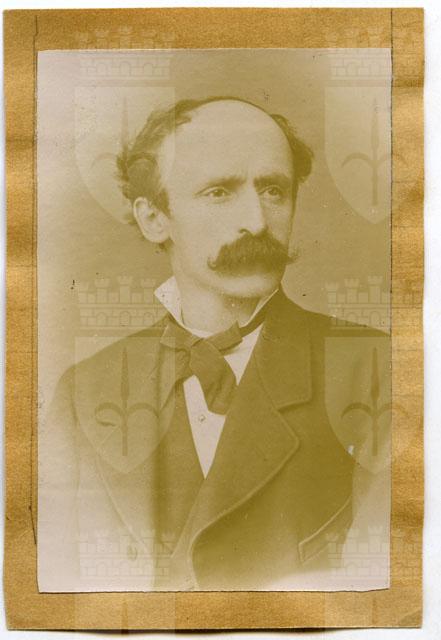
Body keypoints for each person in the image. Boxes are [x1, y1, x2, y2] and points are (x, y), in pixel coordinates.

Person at [38, 96, 390, 592]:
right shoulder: (84, 392)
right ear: (154, 218)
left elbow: (387, 594)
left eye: (273, 190)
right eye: (219, 192)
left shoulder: (375, 369)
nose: (258, 221)